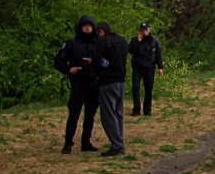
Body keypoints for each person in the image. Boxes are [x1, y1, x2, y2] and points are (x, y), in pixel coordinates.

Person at [53, 15, 100, 154]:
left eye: (90, 26)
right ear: (80, 27)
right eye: (85, 25)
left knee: (90, 115)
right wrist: (69, 70)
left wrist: (95, 64)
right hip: (79, 83)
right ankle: (68, 143)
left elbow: (106, 61)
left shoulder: (98, 43)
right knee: (74, 114)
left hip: (93, 82)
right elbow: (58, 61)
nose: (87, 28)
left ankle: (86, 142)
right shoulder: (72, 43)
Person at [94, 21, 129, 157]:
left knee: (108, 115)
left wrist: (96, 72)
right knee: (118, 113)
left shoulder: (102, 42)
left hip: (108, 82)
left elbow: (97, 61)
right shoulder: (122, 40)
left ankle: (116, 145)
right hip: (121, 81)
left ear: (101, 32)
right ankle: (119, 141)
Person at [127, 22, 163, 117]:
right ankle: (136, 110)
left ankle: (147, 110)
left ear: (149, 29)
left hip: (149, 68)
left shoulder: (154, 40)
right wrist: (138, 41)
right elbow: (130, 50)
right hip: (137, 68)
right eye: (143, 30)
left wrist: (160, 67)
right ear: (140, 31)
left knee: (148, 90)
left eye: (146, 29)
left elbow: (158, 54)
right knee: (135, 88)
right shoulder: (135, 40)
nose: (145, 31)